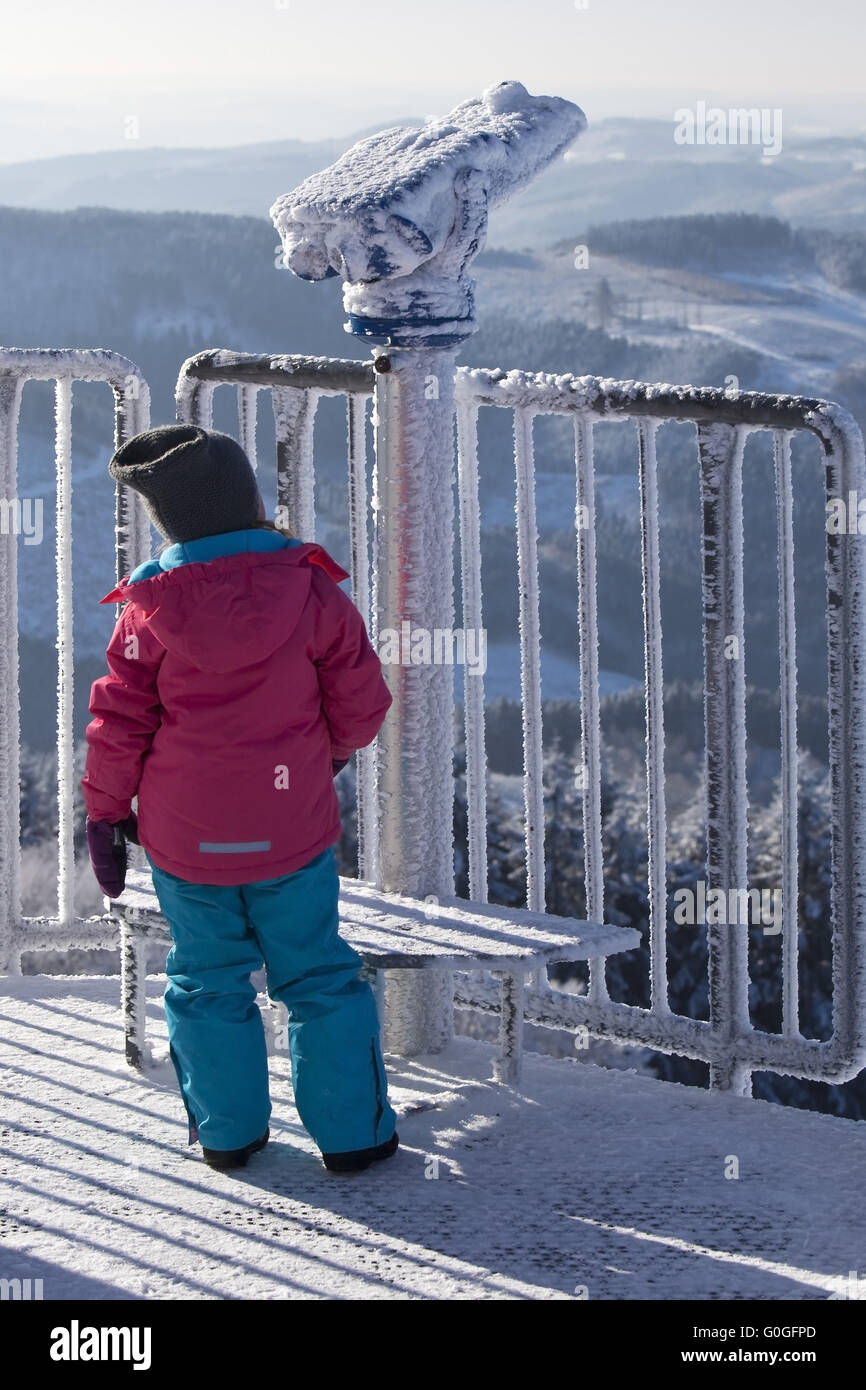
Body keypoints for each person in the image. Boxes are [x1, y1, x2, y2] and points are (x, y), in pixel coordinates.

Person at [82, 423, 397, 1174]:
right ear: (251, 503)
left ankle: (228, 1135)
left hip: (187, 841)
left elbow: (118, 723)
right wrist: (330, 755)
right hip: (291, 830)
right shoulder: (310, 589)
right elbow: (362, 697)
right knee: (317, 974)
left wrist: (103, 811)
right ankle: (354, 1136)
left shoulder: (147, 611)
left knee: (206, 976)